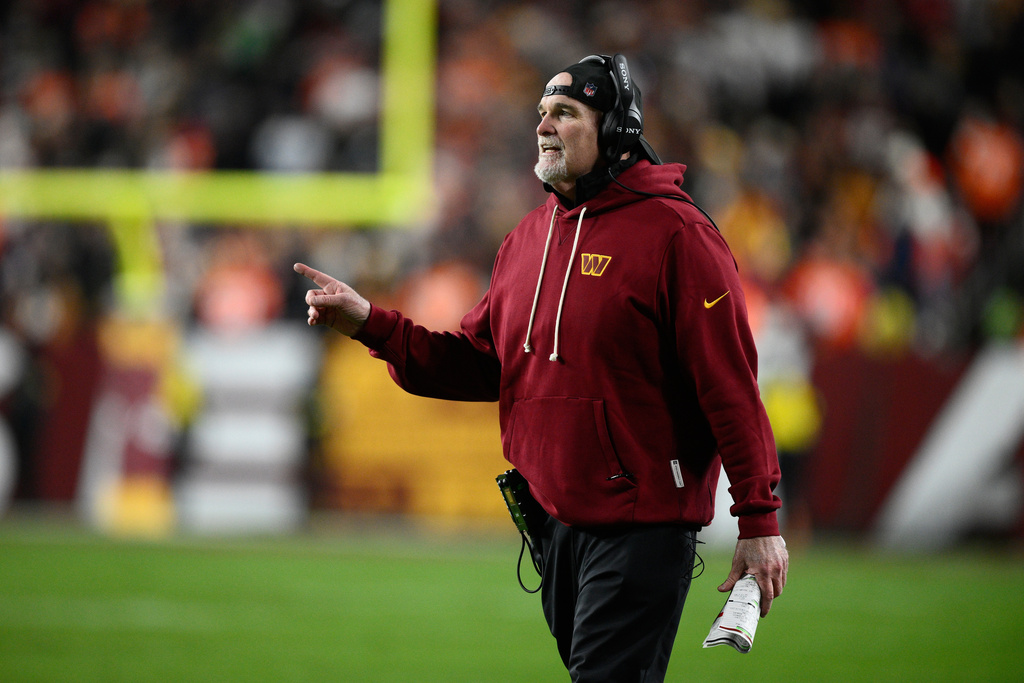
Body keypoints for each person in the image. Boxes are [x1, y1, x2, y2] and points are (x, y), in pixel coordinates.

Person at [295, 54, 788, 683]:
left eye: (566, 113)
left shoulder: (678, 235)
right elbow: (481, 365)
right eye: (542, 114)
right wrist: (372, 324)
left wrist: (759, 518)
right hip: (554, 521)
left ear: (614, 130)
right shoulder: (527, 239)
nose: (545, 127)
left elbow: (730, 387)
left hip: (642, 523)